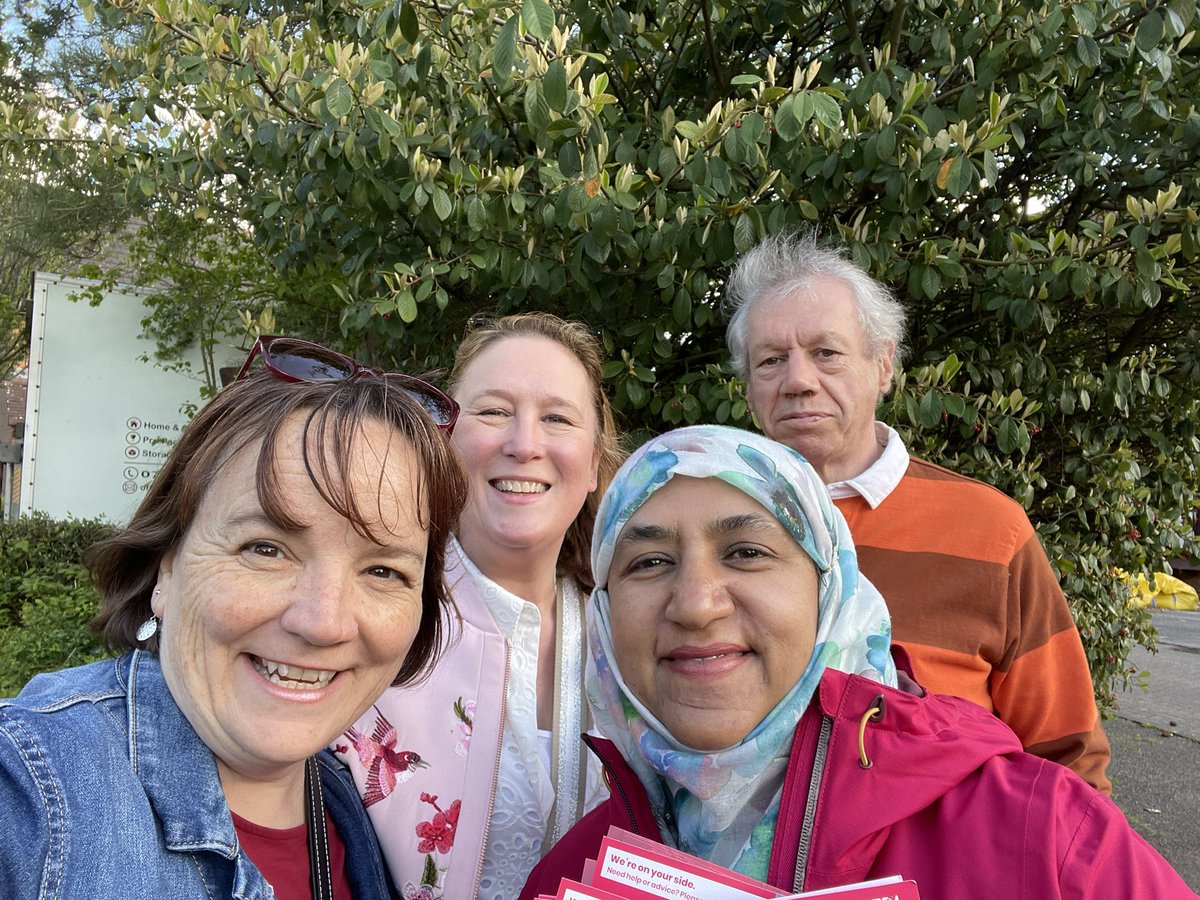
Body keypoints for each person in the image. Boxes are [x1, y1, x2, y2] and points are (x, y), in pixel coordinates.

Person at [521, 425, 1193, 899]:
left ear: (831, 595)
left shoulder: (1040, 837)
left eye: (747, 553)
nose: (696, 603)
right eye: (648, 563)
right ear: (606, 617)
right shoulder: (572, 875)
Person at [0, 336, 468, 899]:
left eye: (384, 572)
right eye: (266, 548)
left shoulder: (352, 809)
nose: (323, 623)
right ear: (165, 568)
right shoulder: (29, 791)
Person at [723, 231, 1112, 793]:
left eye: (826, 353)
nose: (799, 380)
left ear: (883, 367)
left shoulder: (991, 530)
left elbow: (1068, 757)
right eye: (771, 360)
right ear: (750, 386)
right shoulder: (709, 524)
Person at [334, 313, 624, 899]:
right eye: (493, 412)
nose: (524, 444)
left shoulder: (630, 634)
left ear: (595, 462)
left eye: (558, 419)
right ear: (444, 439)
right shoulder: (365, 617)